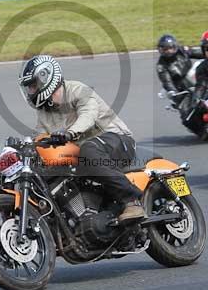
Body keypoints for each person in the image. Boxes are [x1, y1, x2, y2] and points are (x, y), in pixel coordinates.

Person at [19, 54, 145, 223]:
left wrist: (70, 133)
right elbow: (40, 136)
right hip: (86, 156)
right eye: (29, 88)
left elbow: (88, 115)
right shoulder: (44, 112)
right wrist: (24, 148)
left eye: (33, 86)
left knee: (89, 149)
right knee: (50, 170)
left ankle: (132, 201)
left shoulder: (78, 90)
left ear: (45, 79)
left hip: (116, 140)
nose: (30, 92)